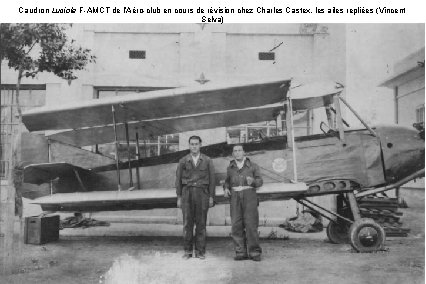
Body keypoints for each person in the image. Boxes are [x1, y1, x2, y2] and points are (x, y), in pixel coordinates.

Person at [176, 136, 215, 260]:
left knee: (201, 224)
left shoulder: (208, 160)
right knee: (187, 224)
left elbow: (212, 180)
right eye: (192, 144)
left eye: (196, 144)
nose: (194, 146)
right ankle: (187, 252)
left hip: (202, 194)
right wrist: (179, 197)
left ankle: (200, 252)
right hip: (187, 193)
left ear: (200, 145)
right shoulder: (183, 161)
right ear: (189, 145)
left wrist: (211, 197)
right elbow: (177, 181)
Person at [223, 144, 263, 261]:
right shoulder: (230, 168)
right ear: (233, 154)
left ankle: (255, 253)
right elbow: (227, 181)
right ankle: (240, 252)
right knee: (236, 225)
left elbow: (260, 181)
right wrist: (225, 188)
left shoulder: (253, 166)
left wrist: (253, 182)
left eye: (239, 150)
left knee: (251, 225)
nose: (237, 153)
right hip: (235, 198)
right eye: (235, 151)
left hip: (249, 197)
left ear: (244, 152)